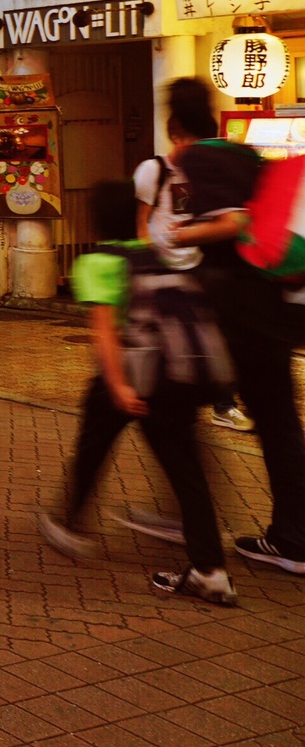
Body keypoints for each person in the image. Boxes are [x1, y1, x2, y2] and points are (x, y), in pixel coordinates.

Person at [36, 180, 236, 606]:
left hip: (132, 376)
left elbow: (105, 331)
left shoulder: (100, 261)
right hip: (178, 377)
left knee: (92, 446)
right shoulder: (159, 253)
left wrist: (119, 386)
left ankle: (70, 524)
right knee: (187, 471)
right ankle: (211, 571)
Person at [156, 78, 305, 574]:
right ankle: (293, 539)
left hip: (233, 314)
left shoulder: (197, 157)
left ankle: (194, 535)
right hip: (272, 309)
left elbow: (235, 222)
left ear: (174, 123)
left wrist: (183, 231)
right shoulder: (246, 155)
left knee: (168, 411)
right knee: (280, 426)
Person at [134, 140, 255, 433]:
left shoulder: (204, 171)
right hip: (165, 265)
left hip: (199, 263)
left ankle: (223, 406)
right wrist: (149, 261)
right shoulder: (155, 169)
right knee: (168, 339)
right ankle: (163, 398)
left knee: (211, 337)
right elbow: (141, 221)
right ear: (177, 136)